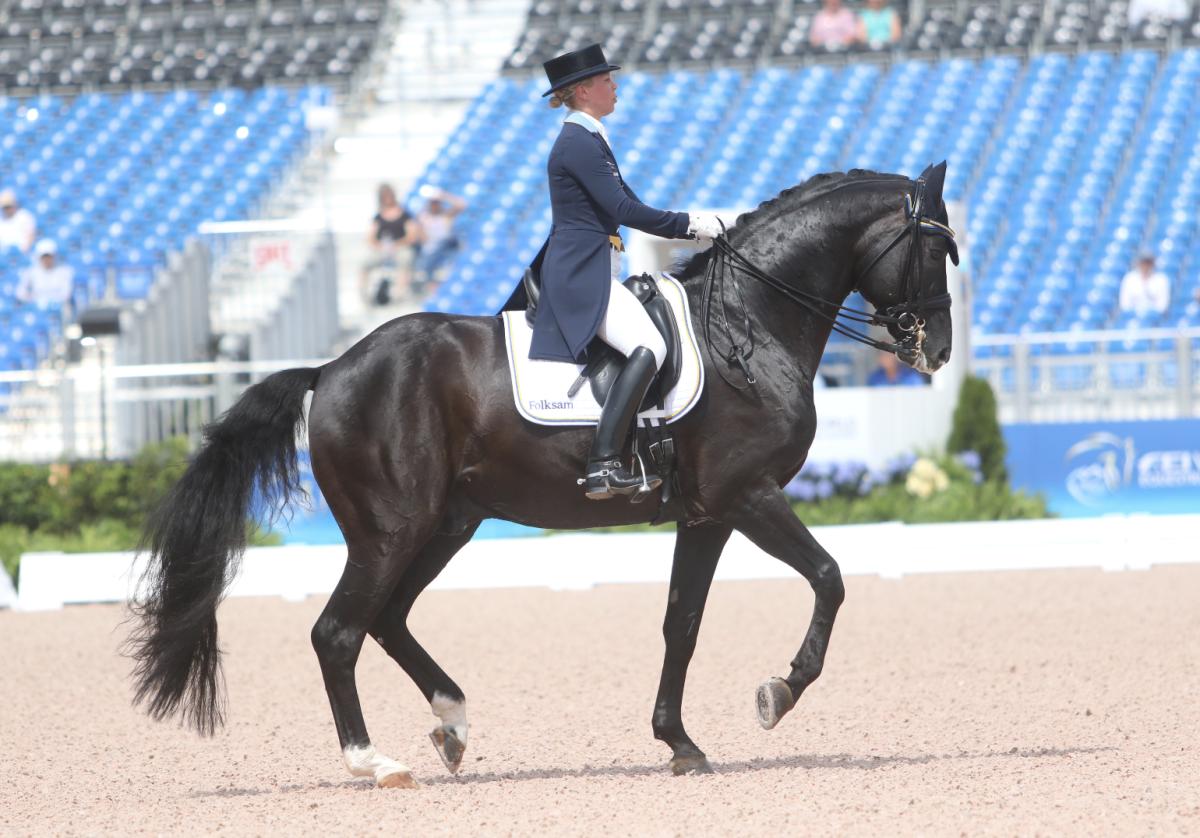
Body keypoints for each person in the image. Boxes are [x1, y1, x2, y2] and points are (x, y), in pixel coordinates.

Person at [502, 43, 722, 500]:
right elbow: (624, 210)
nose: (615, 86)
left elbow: (630, 204)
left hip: (596, 267)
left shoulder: (591, 138)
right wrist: (690, 226)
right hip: (583, 274)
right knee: (651, 345)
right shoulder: (577, 143)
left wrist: (690, 225)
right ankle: (603, 462)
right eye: (607, 80)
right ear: (583, 90)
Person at [361, 183, 419, 305]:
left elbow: (412, 236)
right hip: (382, 248)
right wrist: (381, 247)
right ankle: (364, 295)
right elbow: (370, 237)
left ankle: (399, 294)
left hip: (401, 247)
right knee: (365, 263)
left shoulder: (404, 214)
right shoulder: (378, 216)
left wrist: (396, 245)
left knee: (405, 259)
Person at [412, 187, 466, 292]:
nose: (435, 205)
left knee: (446, 242)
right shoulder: (423, 217)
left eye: (437, 202)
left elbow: (461, 205)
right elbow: (420, 237)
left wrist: (443, 195)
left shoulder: (446, 215)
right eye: (432, 202)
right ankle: (428, 279)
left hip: (445, 247)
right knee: (429, 252)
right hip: (430, 249)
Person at [16, 239, 73, 309]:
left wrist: (52, 302)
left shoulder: (63, 271)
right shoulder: (31, 272)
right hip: (37, 307)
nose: (46, 259)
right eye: (44, 257)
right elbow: (20, 292)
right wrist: (31, 299)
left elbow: (67, 294)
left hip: (58, 307)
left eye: (49, 256)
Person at [1119, 252, 1170, 317]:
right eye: (1143, 263)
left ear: (1153, 264)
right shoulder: (1129, 278)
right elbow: (1124, 304)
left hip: (1154, 318)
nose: (1145, 266)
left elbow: (1163, 305)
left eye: (1148, 263)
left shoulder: (1161, 279)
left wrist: (1151, 314)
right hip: (1133, 316)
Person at [0, 189, 37, 253]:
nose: (7, 209)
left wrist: (24, 252)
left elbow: (31, 236)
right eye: (5, 207)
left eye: (9, 206)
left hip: (22, 252)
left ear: (14, 204)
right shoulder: (1, 218)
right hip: (3, 254)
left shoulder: (24, 216)